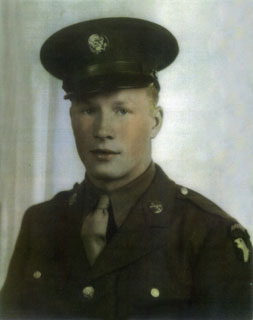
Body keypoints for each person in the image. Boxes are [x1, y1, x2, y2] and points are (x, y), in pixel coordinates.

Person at [0, 17, 252, 320]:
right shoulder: (40, 224)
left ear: (155, 122)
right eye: (88, 109)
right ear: (71, 119)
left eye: (121, 110)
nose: (103, 129)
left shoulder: (208, 235)